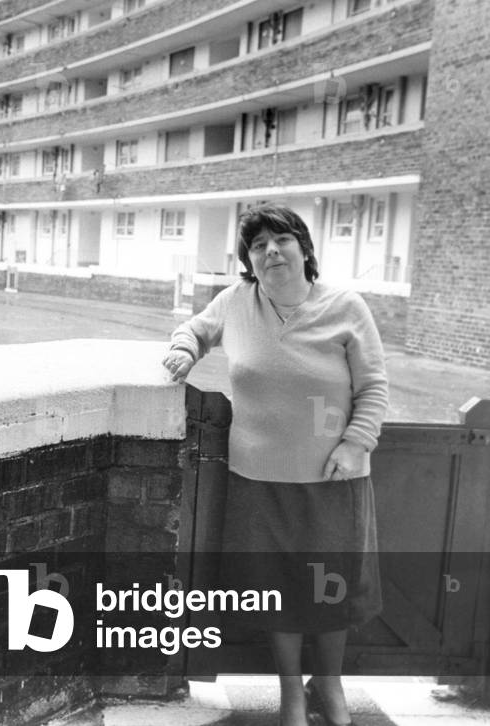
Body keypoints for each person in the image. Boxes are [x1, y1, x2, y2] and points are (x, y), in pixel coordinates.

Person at [162, 203, 389, 726]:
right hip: (257, 481)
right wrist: (184, 350)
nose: (269, 251)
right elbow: (194, 330)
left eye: (280, 240)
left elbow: (374, 387)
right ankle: (291, 691)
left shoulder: (347, 308)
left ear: (304, 249)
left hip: (334, 479)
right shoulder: (237, 302)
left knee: (332, 590)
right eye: (257, 246)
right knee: (276, 593)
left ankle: (328, 686)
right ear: (249, 261)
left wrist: (355, 442)